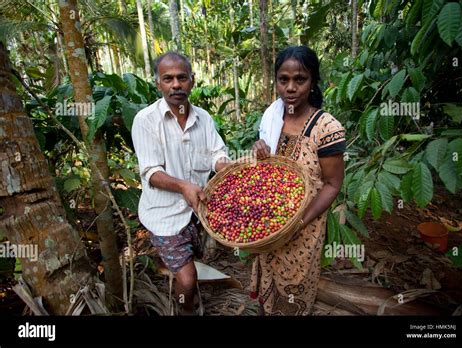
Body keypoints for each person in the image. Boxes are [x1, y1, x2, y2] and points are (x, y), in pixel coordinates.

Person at [131, 52, 230, 315]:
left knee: (190, 266)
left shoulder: (204, 119)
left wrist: (223, 166)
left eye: (182, 78)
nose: (176, 84)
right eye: (168, 79)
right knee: (187, 278)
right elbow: (151, 172)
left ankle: (187, 295)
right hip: (164, 216)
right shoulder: (145, 120)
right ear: (158, 83)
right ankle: (184, 309)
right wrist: (184, 186)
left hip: (197, 212)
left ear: (192, 81)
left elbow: (216, 153)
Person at [251, 46, 346, 315]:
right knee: (270, 280)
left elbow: (332, 185)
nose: (290, 87)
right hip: (270, 224)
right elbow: (267, 174)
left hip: (304, 228)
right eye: (283, 80)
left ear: (313, 81)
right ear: (276, 81)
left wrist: (299, 222)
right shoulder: (272, 118)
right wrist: (261, 154)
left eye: (300, 79)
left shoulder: (326, 128)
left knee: (295, 287)